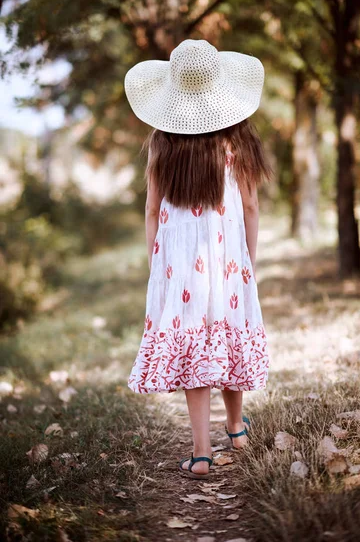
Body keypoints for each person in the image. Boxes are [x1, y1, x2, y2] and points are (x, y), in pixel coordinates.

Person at [124, 39, 271, 480]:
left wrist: (159, 266)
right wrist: (249, 258)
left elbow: (152, 210)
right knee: (225, 332)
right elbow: (250, 208)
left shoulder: (161, 143)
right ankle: (235, 428)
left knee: (193, 341)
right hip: (227, 259)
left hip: (179, 263)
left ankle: (202, 452)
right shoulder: (238, 140)